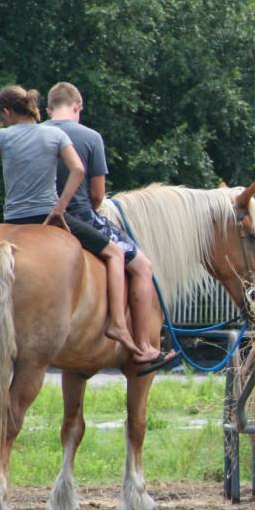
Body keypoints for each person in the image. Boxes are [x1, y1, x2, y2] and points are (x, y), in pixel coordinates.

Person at [0, 84, 170, 370]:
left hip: (13, 219)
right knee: (113, 253)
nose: (2, 121)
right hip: (47, 217)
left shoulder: (1, 137)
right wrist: (60, 206)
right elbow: (80, 171)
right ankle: (119, 326)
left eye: (1, 117)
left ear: (6, 112)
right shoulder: (54, 134)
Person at [43, 81, 176, 370]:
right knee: (141, 266)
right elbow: (97, 195)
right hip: (78, 217)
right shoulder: (90, 137)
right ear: (78, 107)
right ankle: (143, 346)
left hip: (34, 218)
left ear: (49, 108)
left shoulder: (35, 133)